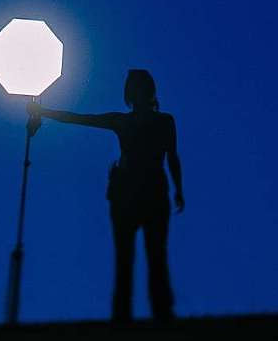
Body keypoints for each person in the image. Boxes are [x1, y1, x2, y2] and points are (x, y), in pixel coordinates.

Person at [27, 69, 185, 324]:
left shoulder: (142, 122)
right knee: (141, 256)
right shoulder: (152, 121)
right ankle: (147, 315)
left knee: (142, 256)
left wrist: (178, 188)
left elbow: (173, 157)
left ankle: (143, 315)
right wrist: (44, 112)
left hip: (141, 193)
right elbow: (80, 119)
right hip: (136, 193)